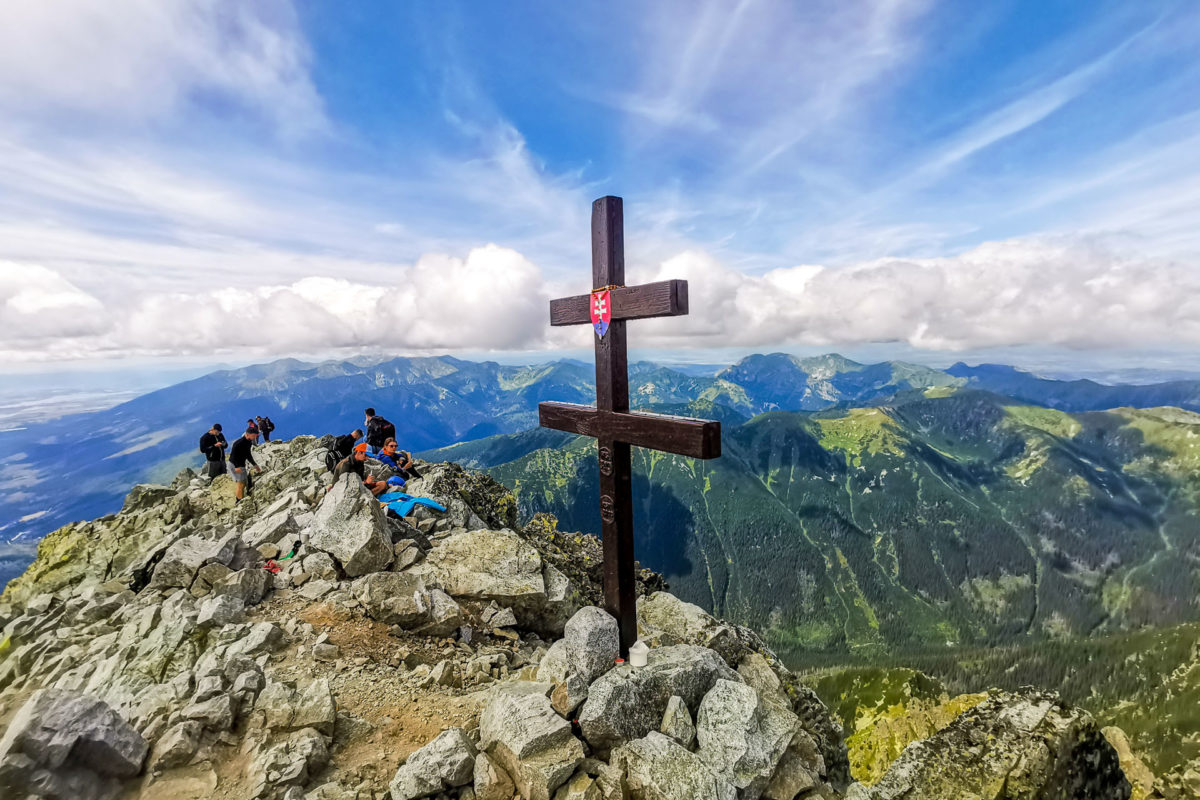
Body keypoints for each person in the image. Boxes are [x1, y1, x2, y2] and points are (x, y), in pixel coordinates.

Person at [228, 428, 262, 502]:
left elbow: (248, 455)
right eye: (253, 436)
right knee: (240, 484)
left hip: (240, 465)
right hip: (235, 465)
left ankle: (240, 499)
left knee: (243, 483)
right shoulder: (238, 443)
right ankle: (239, 501)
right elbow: (233, 456)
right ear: (247, 434)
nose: (254, 438)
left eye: (255, 436)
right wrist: (236, 467)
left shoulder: (248, 442)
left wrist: (255, 465)